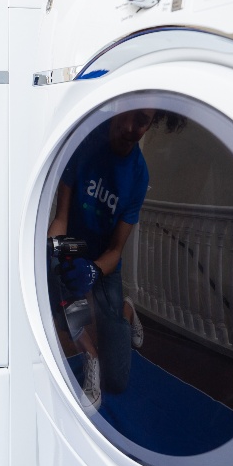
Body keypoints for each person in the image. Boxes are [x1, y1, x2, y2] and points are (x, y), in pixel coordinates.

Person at [47, 108, 183, 410]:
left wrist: (94, 272)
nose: (129, 127)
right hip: (76, 245)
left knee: (118, 381)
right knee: (54, 295)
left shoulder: (138, 175)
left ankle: (128, 311)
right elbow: (61, 218)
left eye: (142, 121)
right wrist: (54, 251)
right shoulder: (83, 145)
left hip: (105, 261)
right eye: (127, 115)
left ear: (152, 123)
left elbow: (116, 250)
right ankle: (90, 355)